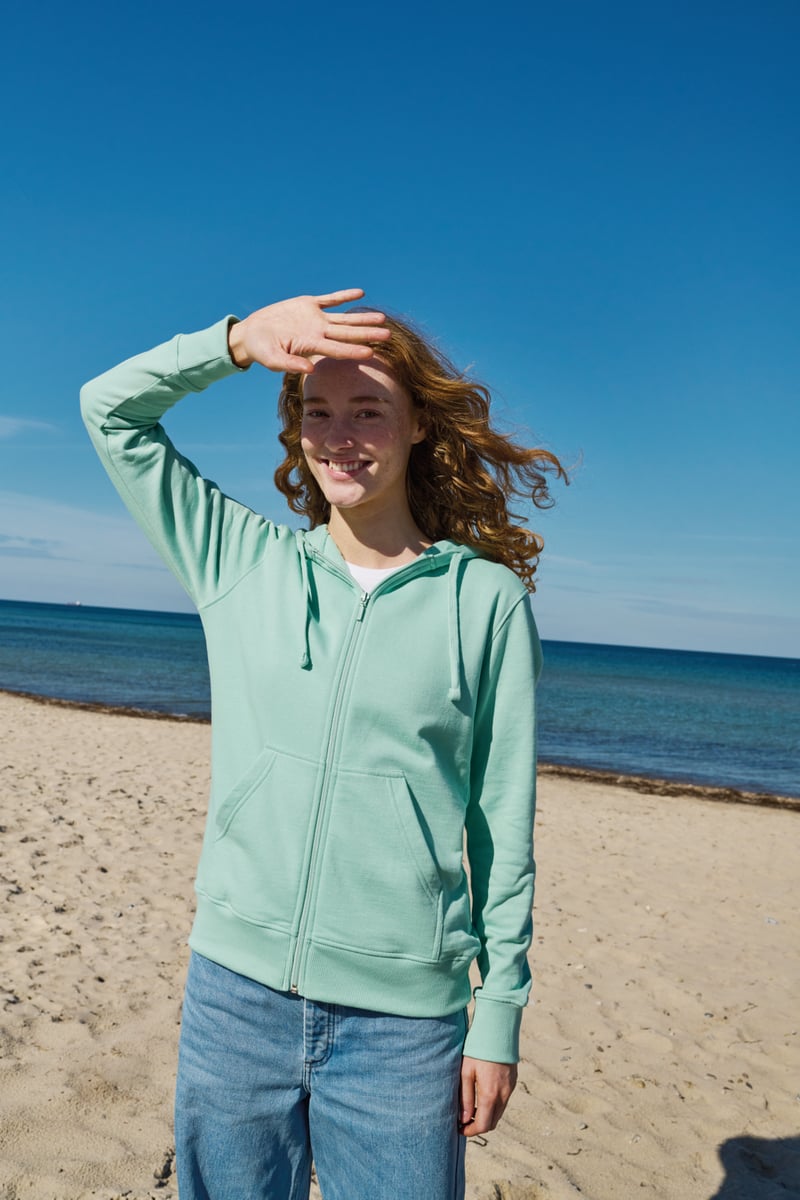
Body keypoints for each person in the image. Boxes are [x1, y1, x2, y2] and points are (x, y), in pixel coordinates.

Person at [80, 289, 566, 1200]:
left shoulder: (486, 603)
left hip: (404, 1025)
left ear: (419, 424)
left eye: (368, 410)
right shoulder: (241, 563)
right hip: (235, 997)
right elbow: (110, 410)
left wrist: (495, 1015)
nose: (340, 435)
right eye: (318, 411)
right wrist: (235, 342)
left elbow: (502, 829)